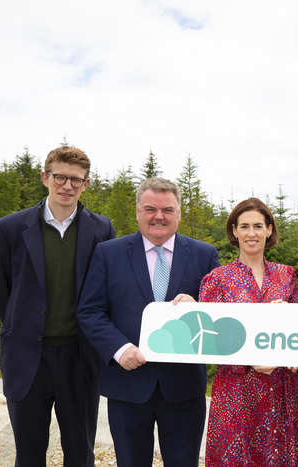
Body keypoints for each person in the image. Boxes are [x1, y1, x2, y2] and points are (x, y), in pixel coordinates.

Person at [76, 177, 220, 467]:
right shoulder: (108, 253)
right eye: (150, 208)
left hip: (183, 388)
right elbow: (89, 311)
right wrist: (119, 349)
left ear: (179, 212)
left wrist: (202, 309)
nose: (159, 216)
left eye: (167, 209)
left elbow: (221, 313)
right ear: (138, 211)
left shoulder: (205, 255)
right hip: (127, 385)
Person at [0, 146, 115, 467]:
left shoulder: (102, 229)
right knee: (29, 454)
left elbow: (107, 291)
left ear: (86, 184)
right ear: (45, 178)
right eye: (60, 177)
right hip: (27, 358)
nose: (67, 186)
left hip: (80, 358)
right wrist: (22, 325)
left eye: (76, 180)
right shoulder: (9, 228)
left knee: (80, 452)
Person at [173, 197, 298, 467]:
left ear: (269, 230)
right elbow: (209, 341)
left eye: (258, 226)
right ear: (234, 230)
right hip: (236, 391)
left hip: (281, 390)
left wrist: (291, 325)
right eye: (244, 226)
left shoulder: (286, 275)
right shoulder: (217, 279)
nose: (251, 233)